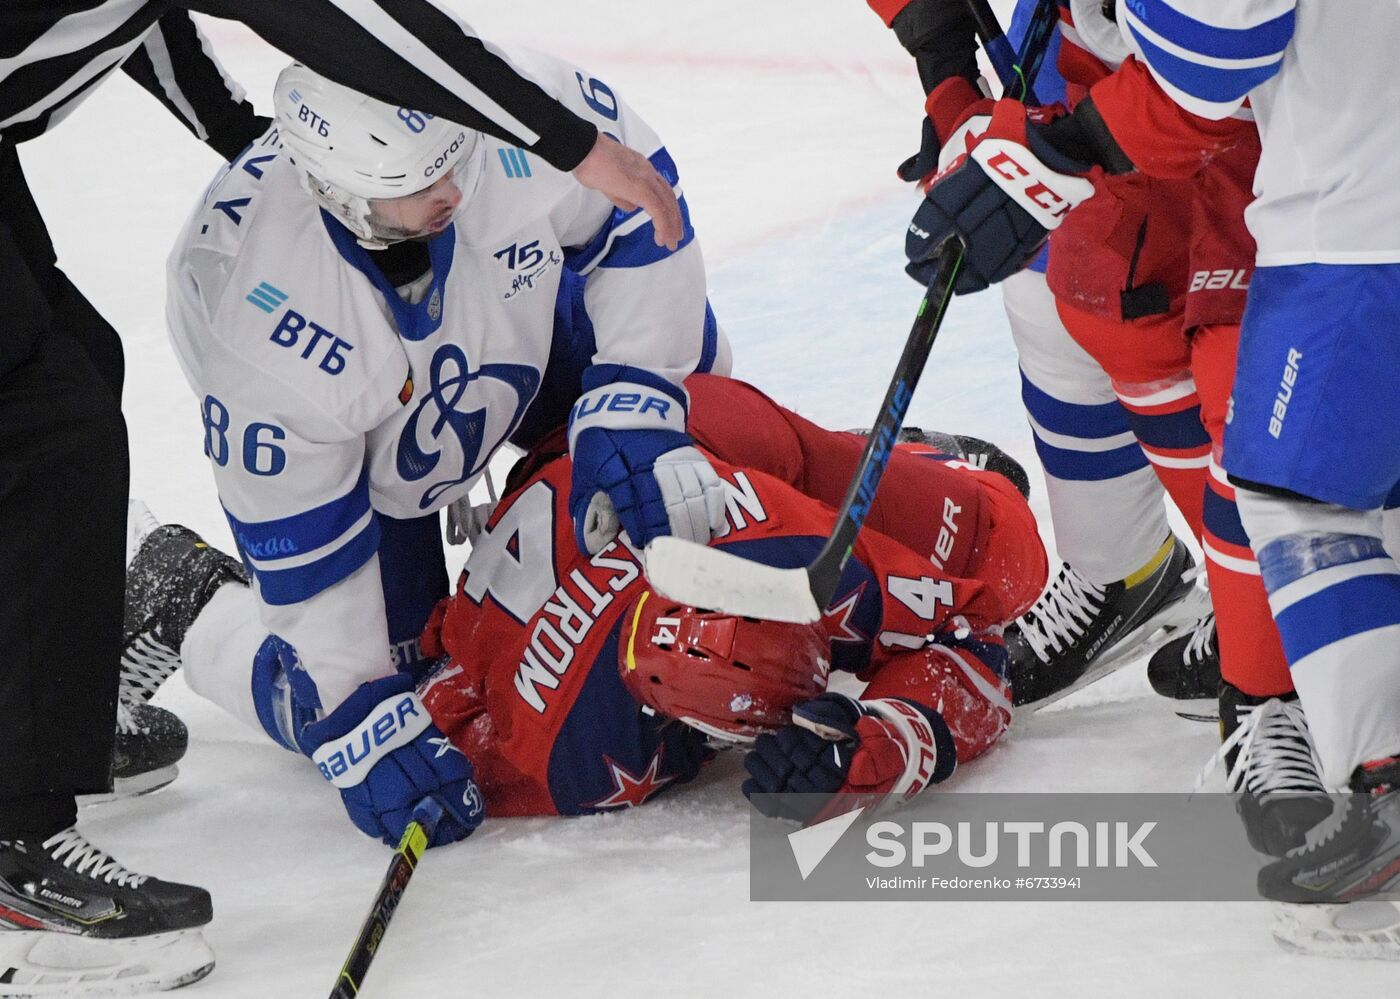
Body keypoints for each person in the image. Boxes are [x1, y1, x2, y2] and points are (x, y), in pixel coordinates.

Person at [0, 6, 687, 995]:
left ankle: (37, 702)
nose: (450, 191)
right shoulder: (252, 305)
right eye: (412, 185)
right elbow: (334, 13)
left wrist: (231, 130)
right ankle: (22, 843)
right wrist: (353, 713)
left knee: (62, 374)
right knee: (39, 424)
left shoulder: (487, 166)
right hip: (353, 445)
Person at [900, 0, 1400, 945]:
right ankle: (1132, 579)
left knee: (1281, 462)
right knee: (1076, 297)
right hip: (1175, 97)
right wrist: (944, 62)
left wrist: (1061, 151)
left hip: (1320, 184)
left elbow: (1217, 56)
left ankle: (1275, 694)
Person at [143, 375, 1046, 820]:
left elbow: (983, 625)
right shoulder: (566, 749)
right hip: (556, 513)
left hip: (647, 462)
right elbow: (978, 658)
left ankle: (918, 463)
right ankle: (188, 597)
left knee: (996, 554)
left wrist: (882, 740)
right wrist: (884, 745)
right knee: (337, 712)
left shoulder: (797, 549)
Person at [867, 0, 1201, 705]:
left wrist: (1074, 143)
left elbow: (1225, 52)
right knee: (1044, 261)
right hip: (1090, 35)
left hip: (1247, 69)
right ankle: (1124, 567)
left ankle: (1281, 594)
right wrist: (944, 62)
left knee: (1178, 303)